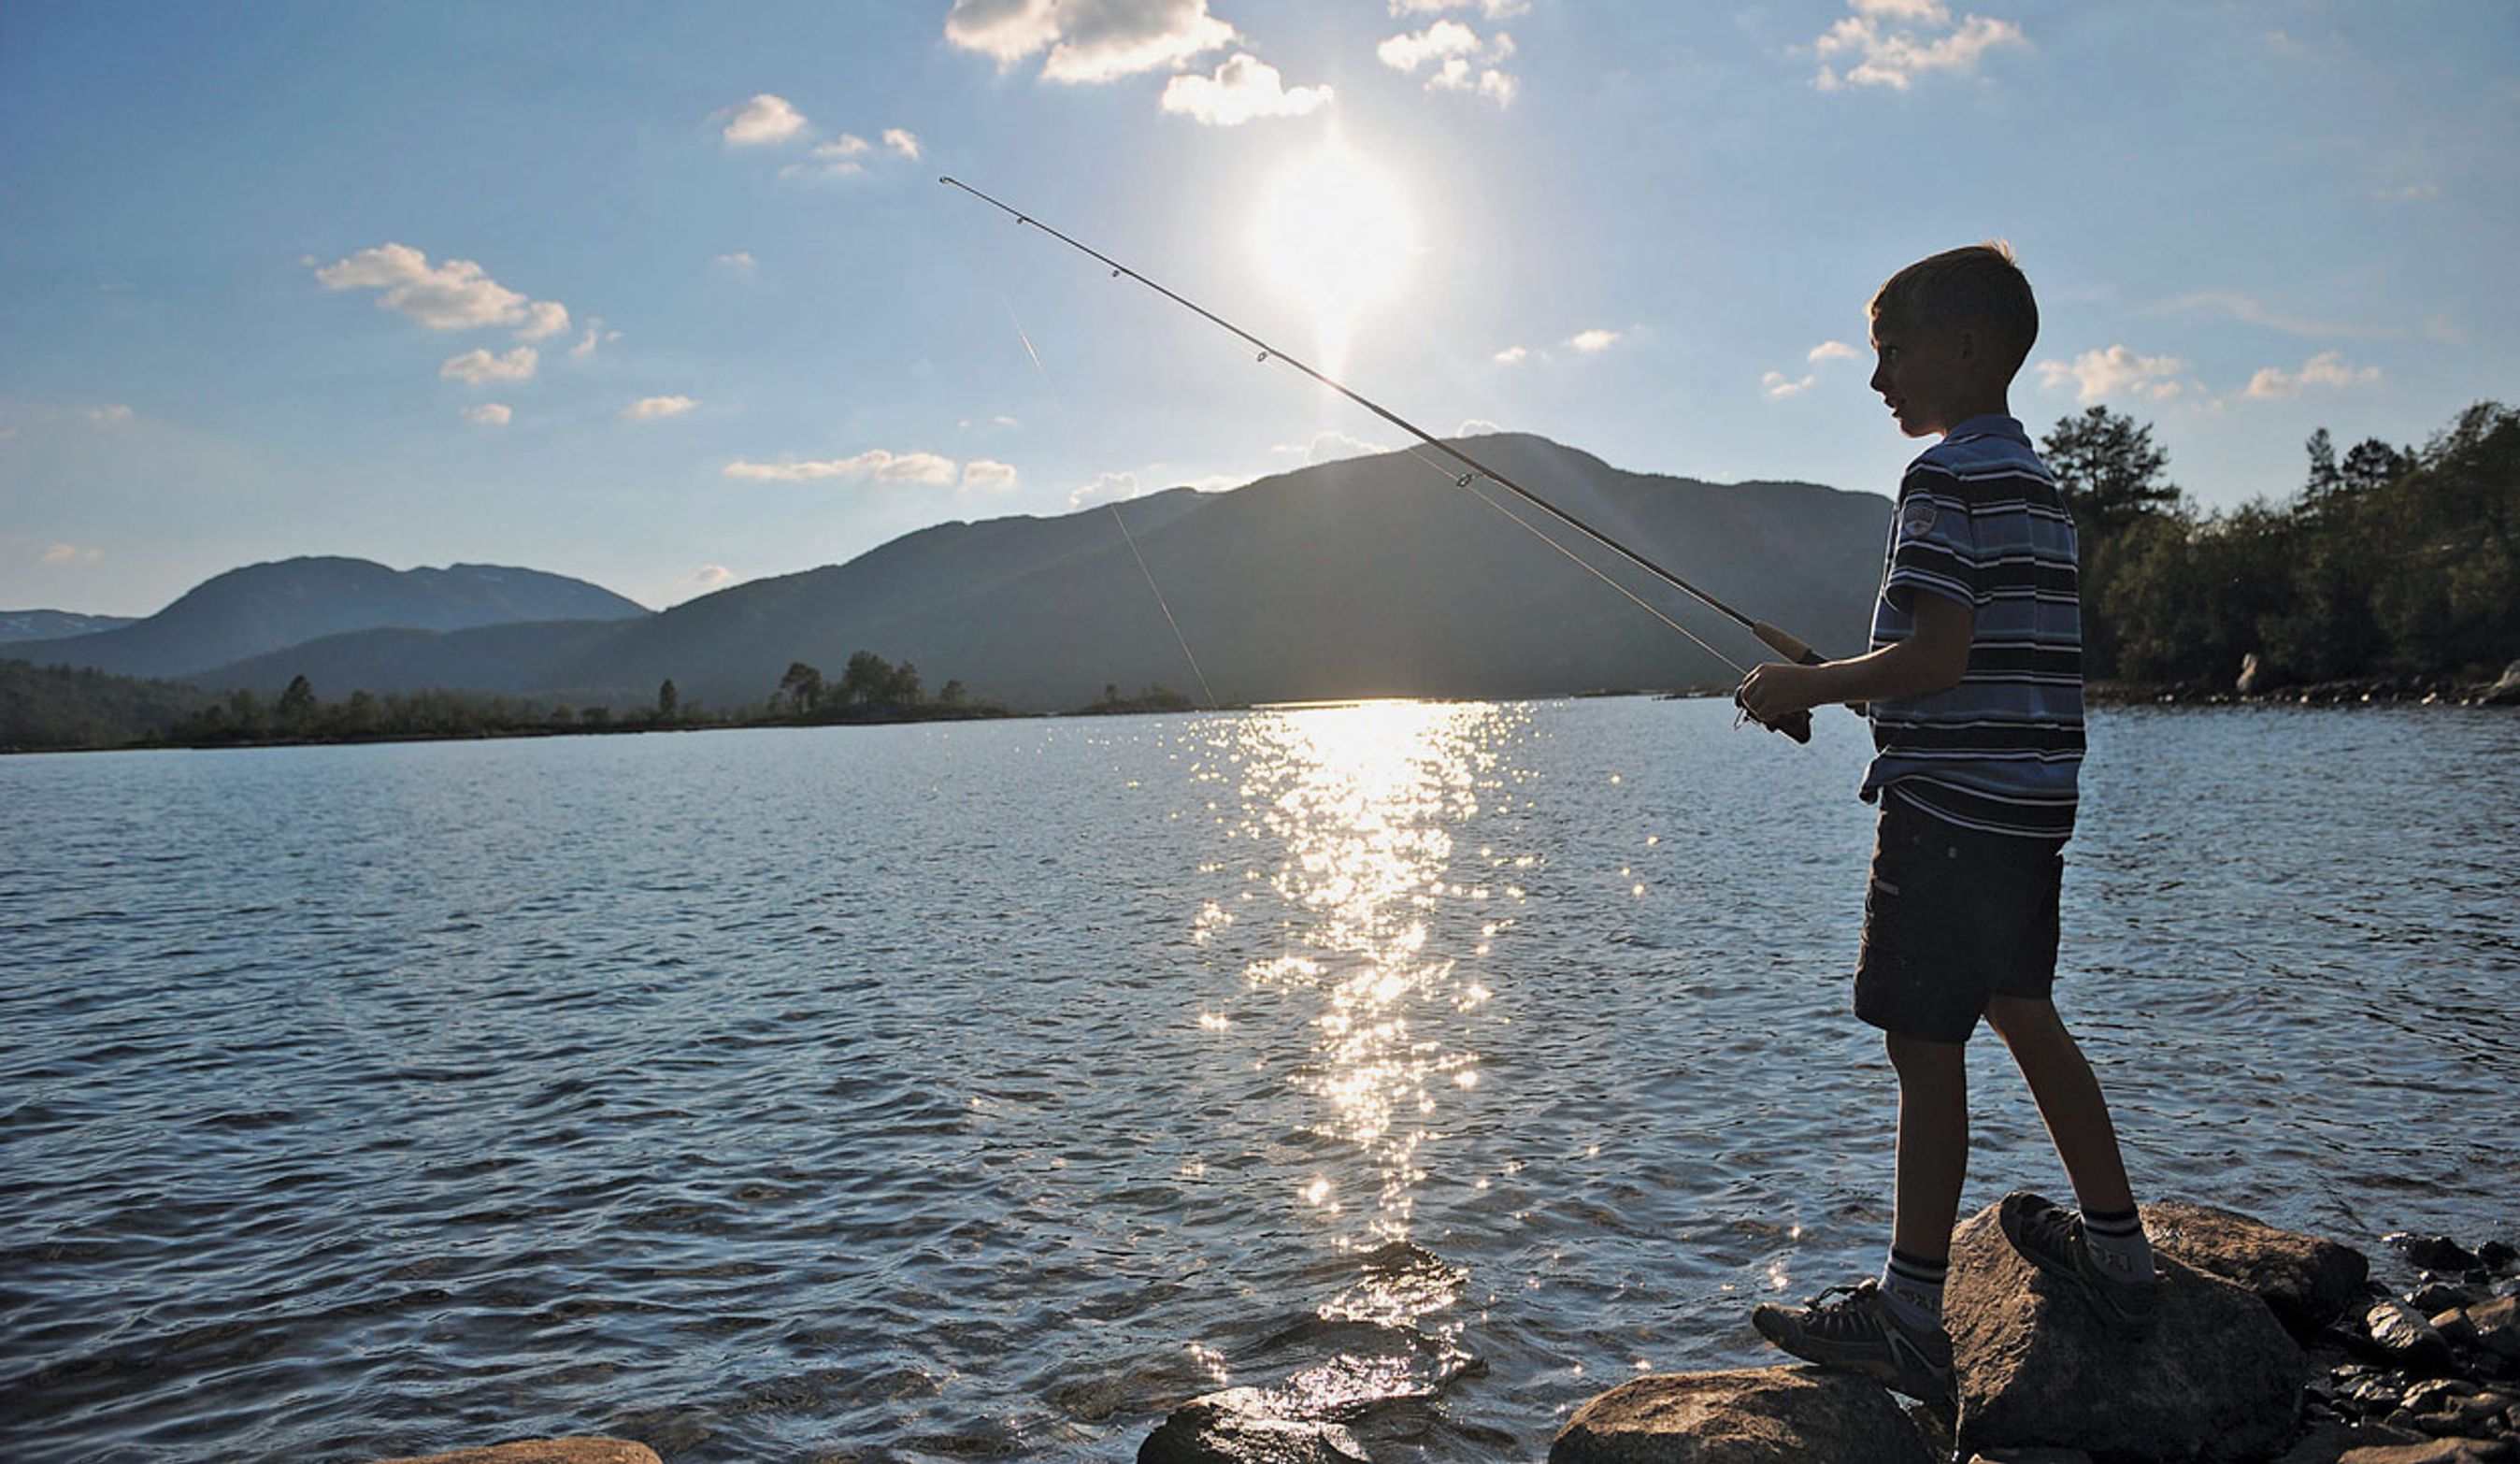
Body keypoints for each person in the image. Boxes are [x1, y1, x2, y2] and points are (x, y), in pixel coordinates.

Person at [1731, 242, 2157, 1406]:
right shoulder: (2039, 486)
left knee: (1924, 1051)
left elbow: (1934, 655)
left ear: (1967, 348)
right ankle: (2122, 1259)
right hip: (2028, 816)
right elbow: (1983, 667)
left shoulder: (1938, 483)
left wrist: (1802, 688)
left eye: (1891, 351)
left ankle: (1909, 1311)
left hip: (1950, 820)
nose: (1878, 380)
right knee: (2022, 1011)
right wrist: (1850, 687)